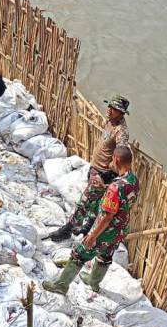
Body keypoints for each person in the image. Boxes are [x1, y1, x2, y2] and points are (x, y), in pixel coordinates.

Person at [43, 146, 139, 294]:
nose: (111, 162)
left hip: (106, 231)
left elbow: (107, 216)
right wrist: (105, 187)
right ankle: (93, 282)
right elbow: (122, 196)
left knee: (79, 254)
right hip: (121, 230)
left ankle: (61, 285)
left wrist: (92, 236)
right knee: (106, 254)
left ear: (117, 160)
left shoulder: (115, 187)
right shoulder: (133, 180)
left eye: (112, 158)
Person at [46, 95, 130, 241]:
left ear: (122, 113)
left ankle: (68, 230)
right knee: (95, 202)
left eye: (114, 109)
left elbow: (120, 156)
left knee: (84, 203)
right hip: (95, 169)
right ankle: (87, 228)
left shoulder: (121, 132)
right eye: (109, 106)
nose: (109, 110)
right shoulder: (110, 122)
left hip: (103, 173)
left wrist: (107, 174)